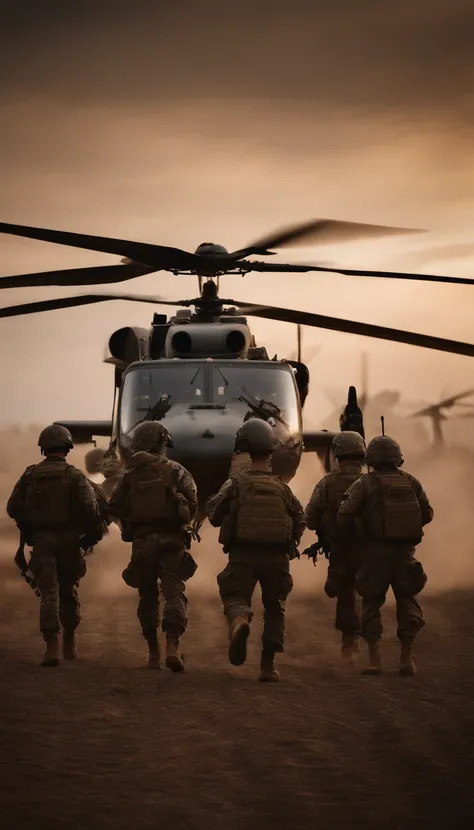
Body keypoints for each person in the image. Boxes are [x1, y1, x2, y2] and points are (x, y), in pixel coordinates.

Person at [207, 419, 305, 682]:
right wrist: (291, 542)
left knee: (235, 596)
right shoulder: (282, 487)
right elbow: (299, 519)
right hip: (277, 557)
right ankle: (268, 666)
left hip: (242, 555)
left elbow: (214, 515)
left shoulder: (235, 484)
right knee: (275, 608)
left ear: (241, 448)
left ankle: (239, 621)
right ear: (270, 450)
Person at [6, 425, 104, 667]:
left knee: (48, 593)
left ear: (43, 447)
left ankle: (51, 646)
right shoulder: (75, 475)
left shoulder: (31, 474)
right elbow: (91, 510)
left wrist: (30, 526)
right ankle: (69, 644)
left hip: (43, 542)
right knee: (68, 591)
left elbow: (12, 506)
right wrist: (88, 537)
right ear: (68, 446)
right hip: (70, 541)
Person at [337, 435, 434, 676]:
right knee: (408, 603)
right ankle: (406, 658)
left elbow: (344, 513)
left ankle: (375, 659)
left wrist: (361, 529)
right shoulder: (411, 481)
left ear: (371, 458)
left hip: (376, 554)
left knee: (371, 604)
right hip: (405, 554)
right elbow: (428, 513)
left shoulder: (365, 483)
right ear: (397, 458)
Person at [108, 421, 198, 672]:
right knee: (174, 593)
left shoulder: (129, 474)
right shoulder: (178, 471)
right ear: (160, 444)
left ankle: (152, 654)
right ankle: (172, 645)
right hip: (172, 541)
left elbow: (114, 506)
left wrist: (130, 524)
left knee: (147, 597)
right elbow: (192, 504)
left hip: (143, 542)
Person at [304, 431, 367, 660]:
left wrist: (325, 525)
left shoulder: (327, 483)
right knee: (366, 592)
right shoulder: (372, 480)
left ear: (337, 455)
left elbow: (309, 518)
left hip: (341, 548)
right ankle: (370, 646)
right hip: (371, 549)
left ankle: (349, 642)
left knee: (345, 591)